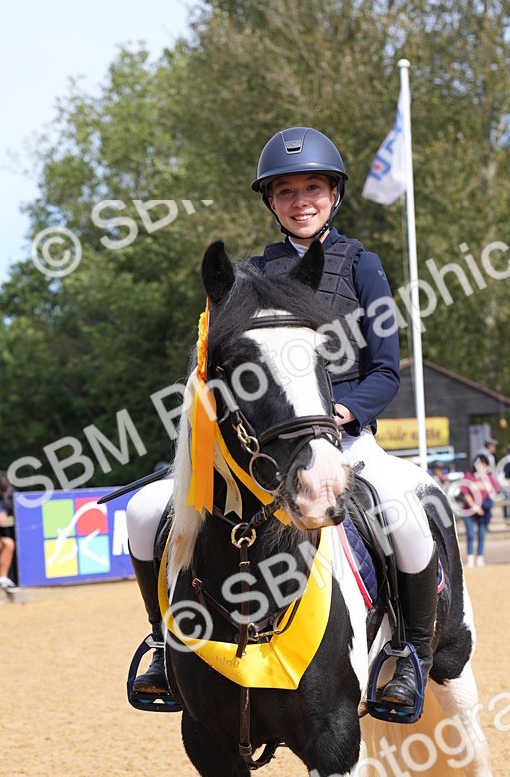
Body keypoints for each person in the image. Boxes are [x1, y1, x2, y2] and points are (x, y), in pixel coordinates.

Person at [125, 126, 437, 715]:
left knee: (407, 514)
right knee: (144, 513)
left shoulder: (362, 266)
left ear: (334, 194)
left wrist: (349, 410)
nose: (301, 201)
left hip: (345, 438)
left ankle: (411, 654)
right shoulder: (248, 276)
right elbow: (215, 369)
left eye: (313, 188)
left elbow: (386, 369)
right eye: (287, 191)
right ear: (271, 201)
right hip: (264, 447)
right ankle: (165, 645)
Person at [458, 454, 499, 567]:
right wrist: (475, 507)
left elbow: (494, 491)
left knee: (481, 534)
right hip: (469, 511)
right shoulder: (468, 476)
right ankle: (470, 558)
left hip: (484, 511)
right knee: (470, 533)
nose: (482, 466)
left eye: (484, 464)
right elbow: (464, 492)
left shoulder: (489, 477)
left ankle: (480, 557)